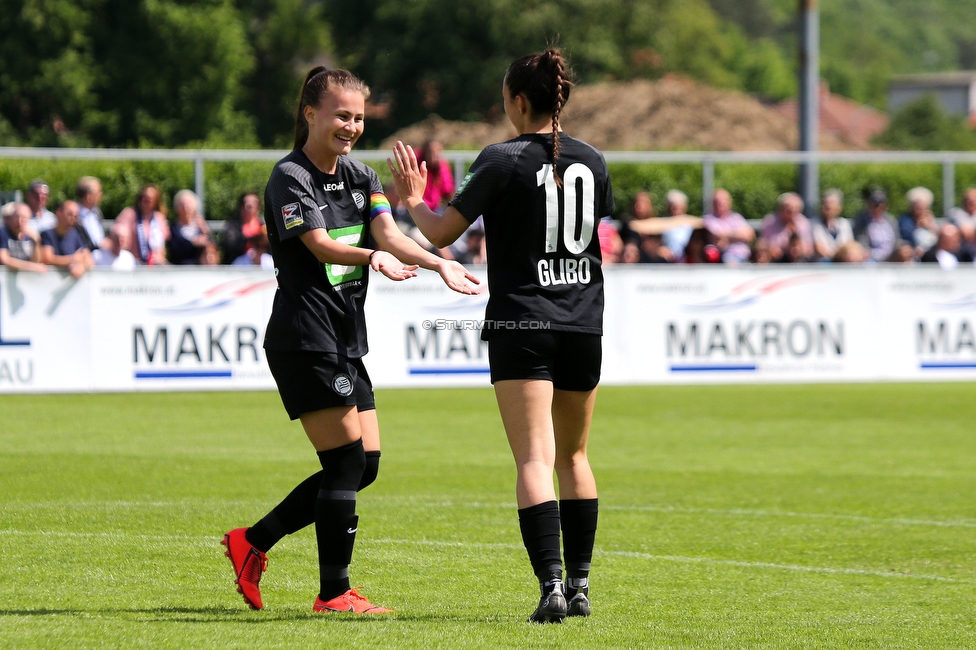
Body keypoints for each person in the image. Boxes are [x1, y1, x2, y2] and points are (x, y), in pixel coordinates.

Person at [221, 66, 479, 616]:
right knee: (344, 462)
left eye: (359, 117)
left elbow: (387, 232)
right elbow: (317, 244)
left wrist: (438, 264)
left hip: (343, 338)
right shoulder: (289, 176)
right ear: (310, 113)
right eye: (341, 114)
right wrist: (371, 257)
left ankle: (252, 542)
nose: (351, 125)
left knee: (366, 465)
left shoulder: (363, 176)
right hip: (303, 336)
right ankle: (334, 593)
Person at [389, 47, 612, 624]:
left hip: (523, 322)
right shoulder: (592, 159)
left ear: (518, 101)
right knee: (576, 455)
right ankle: (583, 586)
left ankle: (552, 589)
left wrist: (413, 197)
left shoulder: (503, 157)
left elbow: (440, 230)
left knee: (533, 460)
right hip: (584, 322)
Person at [113, 184, 170, 265]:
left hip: (156, 264)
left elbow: (163, 242)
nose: (144, 202)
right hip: (134, 262)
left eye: (148, 200)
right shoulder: (129, 214)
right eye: (142, 198)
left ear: (155, 201)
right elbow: (118, 232)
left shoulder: (159, 218)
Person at [39, 200, 93, 278]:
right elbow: (47, 259)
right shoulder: (47, 234)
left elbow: (88, 259)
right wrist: (73, 259)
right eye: (70, 214)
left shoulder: (75, 234)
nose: (73, 218)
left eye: (76, 216)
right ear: (59, 212)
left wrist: (82, 266)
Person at [758, 192, 814, 262]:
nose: (789, 213)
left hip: (799, 260)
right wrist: (770, 248)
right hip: (774, 260)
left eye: (793, 210)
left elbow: (809, 248)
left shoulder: (803, 223)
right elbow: (762, 243)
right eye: (787, 209)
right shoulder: (770, 221)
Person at [702, 188, 754, 264]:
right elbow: (718, 236)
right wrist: (738, 235)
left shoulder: (736, 217)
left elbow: (749, 234)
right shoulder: (708, 219)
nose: (721, 204)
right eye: (718, 202)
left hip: (745, 255)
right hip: (725, 257)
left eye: (724, 201)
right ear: (712, 203)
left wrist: (727, 238)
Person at [167, 190, 216, 265]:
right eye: (182, 205)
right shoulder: (173, 228)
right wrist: (193, 243)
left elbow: (214, 247)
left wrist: (206, 232)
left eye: (189, 204)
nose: (186, 208)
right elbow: (175, 249)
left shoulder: (201, 226)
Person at [852, 189, 899, 262]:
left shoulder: (891, 220)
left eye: (880, 204)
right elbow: (861, 242)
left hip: (892, 256)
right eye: (874, 205)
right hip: (871, 257)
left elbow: (897, 240)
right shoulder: (861, 221)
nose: (877, 208)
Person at [0, 202, 47, 272]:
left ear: (29, 219)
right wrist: (31, 266)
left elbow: (36, 261)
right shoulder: (3, 232)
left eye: (23, 218)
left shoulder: (30, 235)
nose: (19, 222)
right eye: (17, 217)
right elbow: (4, 259)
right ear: (11, 218)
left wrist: (36, 242)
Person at [220, 192, 264, 264]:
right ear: (241, 207)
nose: (249, 206)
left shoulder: (264, 225)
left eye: (253, 203)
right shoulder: (233, 226)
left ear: (259, 206)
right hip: (238, 263)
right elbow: (229, 245)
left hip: (261, 262)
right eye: (245, 203)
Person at [812, 189, 853, 261]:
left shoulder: (844, 223)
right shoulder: (815, 224)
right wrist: (837, 255)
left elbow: (849, 245)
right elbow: (820, 248)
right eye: (825, 203)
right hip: (824, 261)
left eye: (832, 203)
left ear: (839, 207)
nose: (828, 206)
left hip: (843, 260)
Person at [898, 187, 938, 258]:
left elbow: (937, 239)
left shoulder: (930, 219)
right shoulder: (905, 221)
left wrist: (930, 226)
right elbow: (907, 238)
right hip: (913, 253)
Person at [417, 140, 456, 212]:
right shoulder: (415, 164)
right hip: (415, 207)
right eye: (431, 152)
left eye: (437, 152)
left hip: (434, 209)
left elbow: (448, 190)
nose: (434, 155)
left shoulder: (442, 166)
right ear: (425, 152)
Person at [76, 176, 107, 251]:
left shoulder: (97, 212)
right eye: (98, 192)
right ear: (89, 196)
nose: (101, 195)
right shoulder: (75, 215)